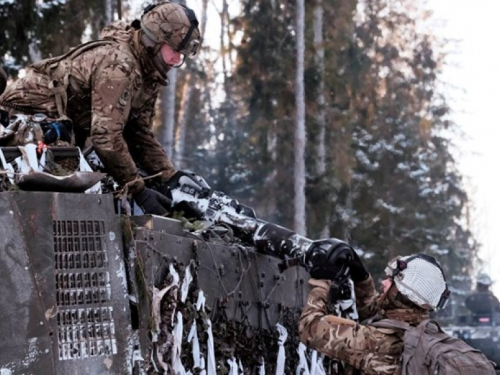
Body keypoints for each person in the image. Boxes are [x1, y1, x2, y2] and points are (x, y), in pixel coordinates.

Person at [0, 1, 201, 215]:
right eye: (175, 50)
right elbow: (106, 136)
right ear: (155, 41)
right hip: (26, 115)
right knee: (68, 181)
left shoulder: (148, 70)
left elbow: (139, 134)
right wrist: (138, 190)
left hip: (63, 124)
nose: (177, 59)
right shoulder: (119, 67)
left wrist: (169, 177)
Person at [299, 248, 451, 374]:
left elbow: (310, 328)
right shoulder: (419, 329)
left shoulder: (380, 341)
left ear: (401, 293)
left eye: (391, 281)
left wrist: (322, 284)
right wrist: (361, 277)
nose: (384, 282)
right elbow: (373, 311)